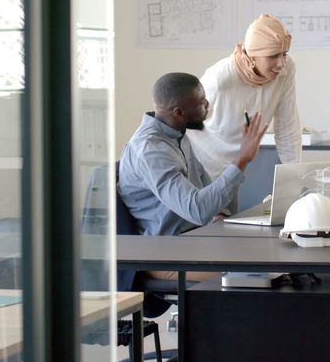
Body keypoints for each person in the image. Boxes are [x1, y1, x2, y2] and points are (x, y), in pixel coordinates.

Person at [119, 72, 268, 238]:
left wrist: (219, 214)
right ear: (179, 112)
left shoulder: (176, 134)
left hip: (194, 235)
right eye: (202, 102)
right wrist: (242, 159)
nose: (207, 105)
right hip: (167, 248)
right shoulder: (151, 151)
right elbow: (197, 210)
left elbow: (203, 183)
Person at [187, 14, 302, 183]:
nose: (281, 64)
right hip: (201, 168)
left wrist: (295, 179)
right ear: (252, 54)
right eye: (273, 56)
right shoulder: (220, 78)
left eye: (284, 54)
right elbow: (183, 123)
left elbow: (287, 126)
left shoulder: (286, 69)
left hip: (235, 169)